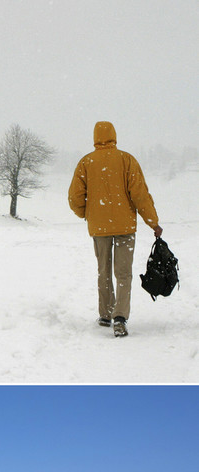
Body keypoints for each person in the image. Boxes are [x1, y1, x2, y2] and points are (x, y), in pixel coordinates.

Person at [68, 121, 162, 337]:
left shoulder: (86, 162)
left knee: (104, 270)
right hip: (125, 227)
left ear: (95, 137)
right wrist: (153, 222)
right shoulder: (126, 160)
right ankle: (120, 316)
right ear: (114, 136)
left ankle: (105, 314)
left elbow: (74, 197)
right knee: (123, 273)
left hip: (99, 228)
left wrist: (87, 213)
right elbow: (140, 194)